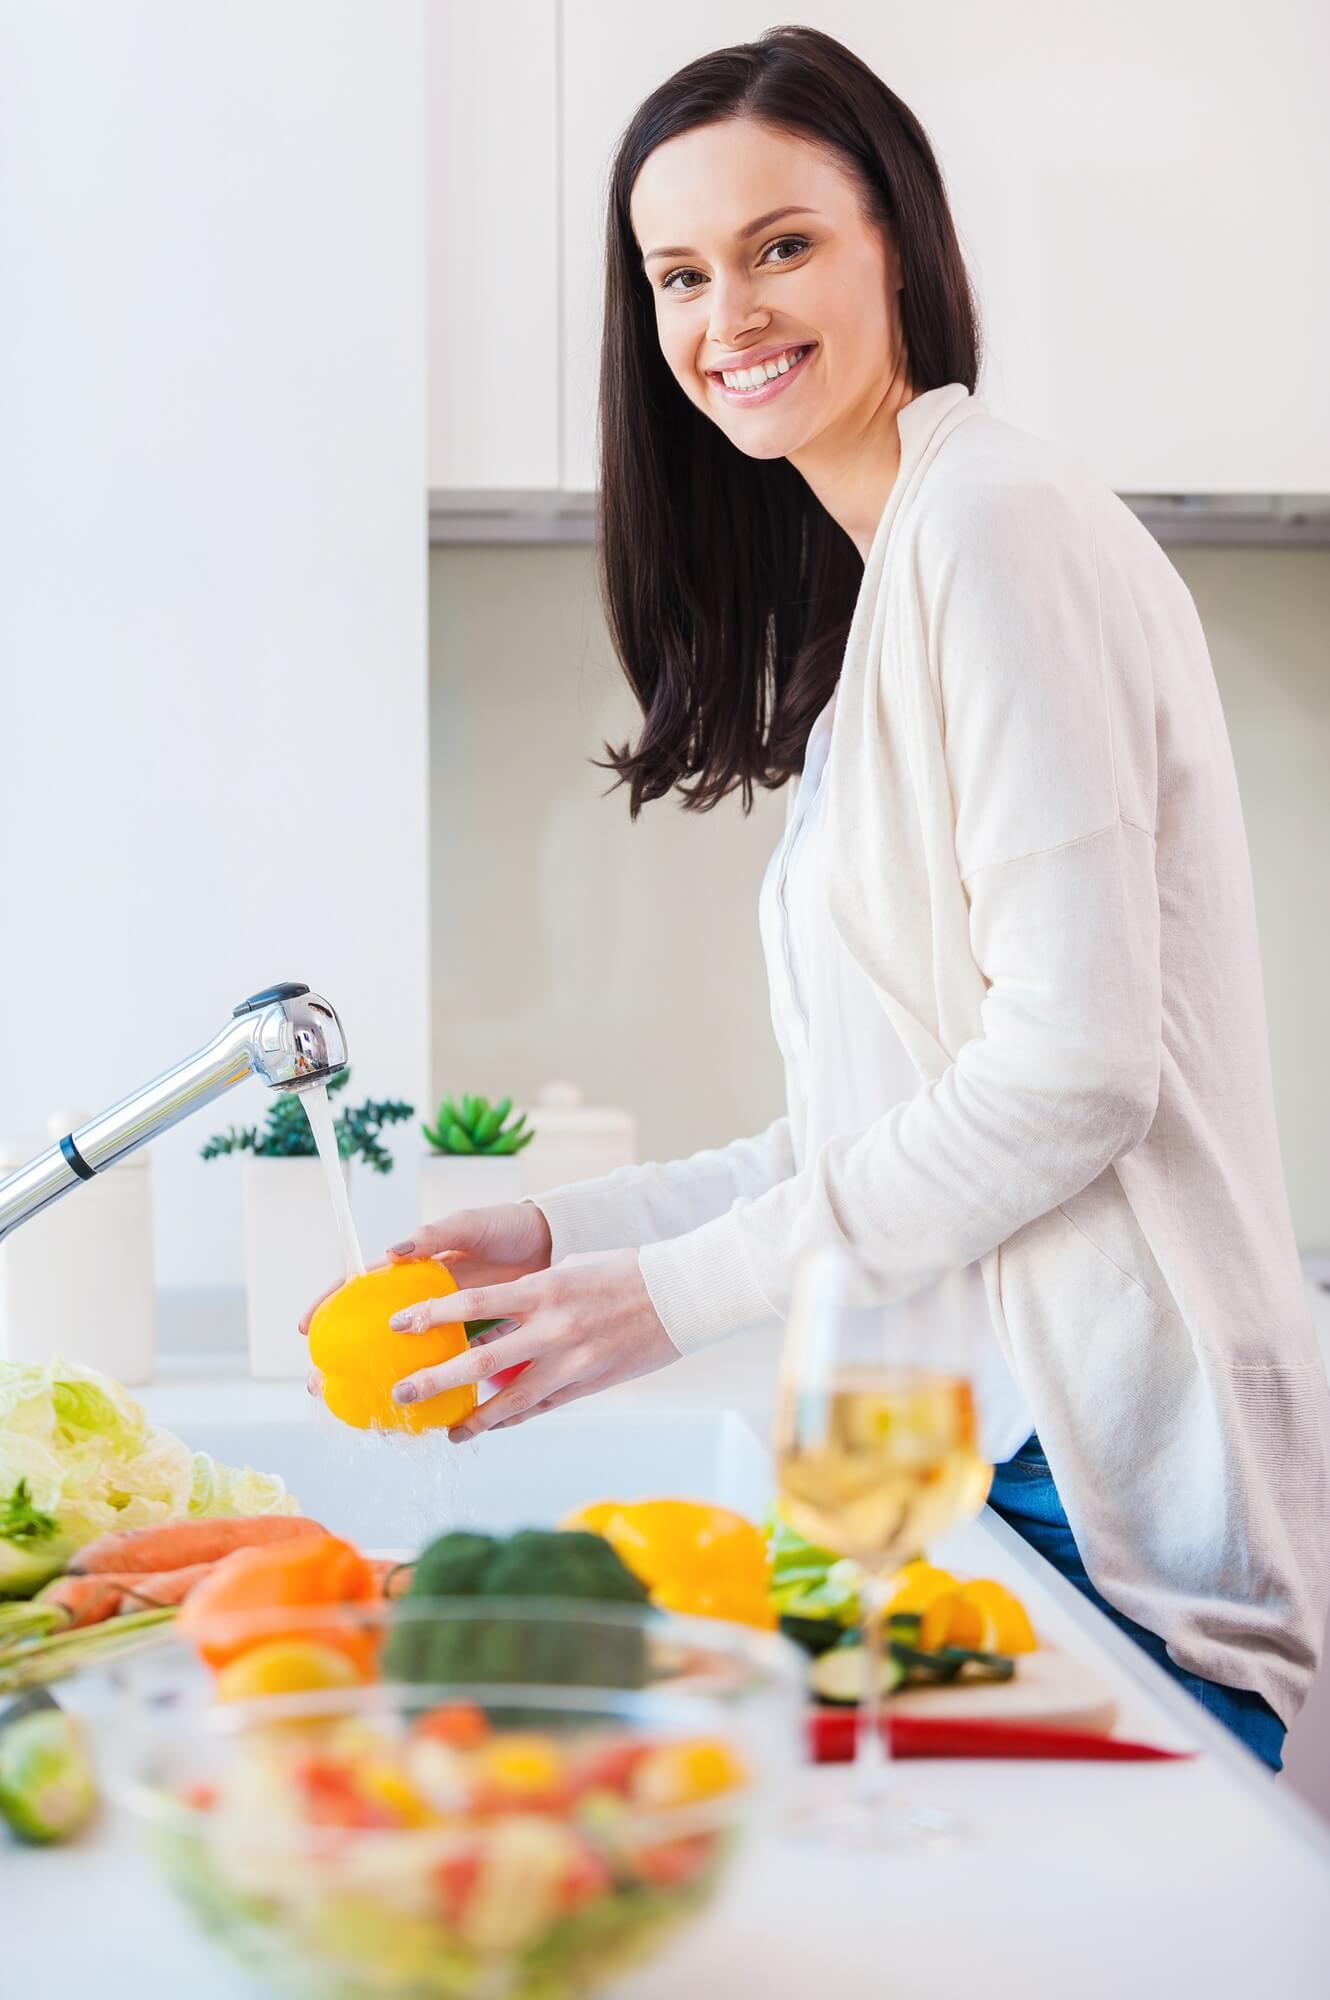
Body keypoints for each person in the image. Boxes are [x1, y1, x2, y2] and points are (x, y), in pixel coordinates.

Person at [301, 26, 1330, 1771]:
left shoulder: (993, 525)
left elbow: (1073, 1076)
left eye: (782, 246)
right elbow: (895, 1119)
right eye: (678, 275)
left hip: (1104, 1498)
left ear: (898, 248)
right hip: (1001, 1473)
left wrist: (676, 1296)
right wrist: (581, 1239)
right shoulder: (913, 576)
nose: (727, 318)